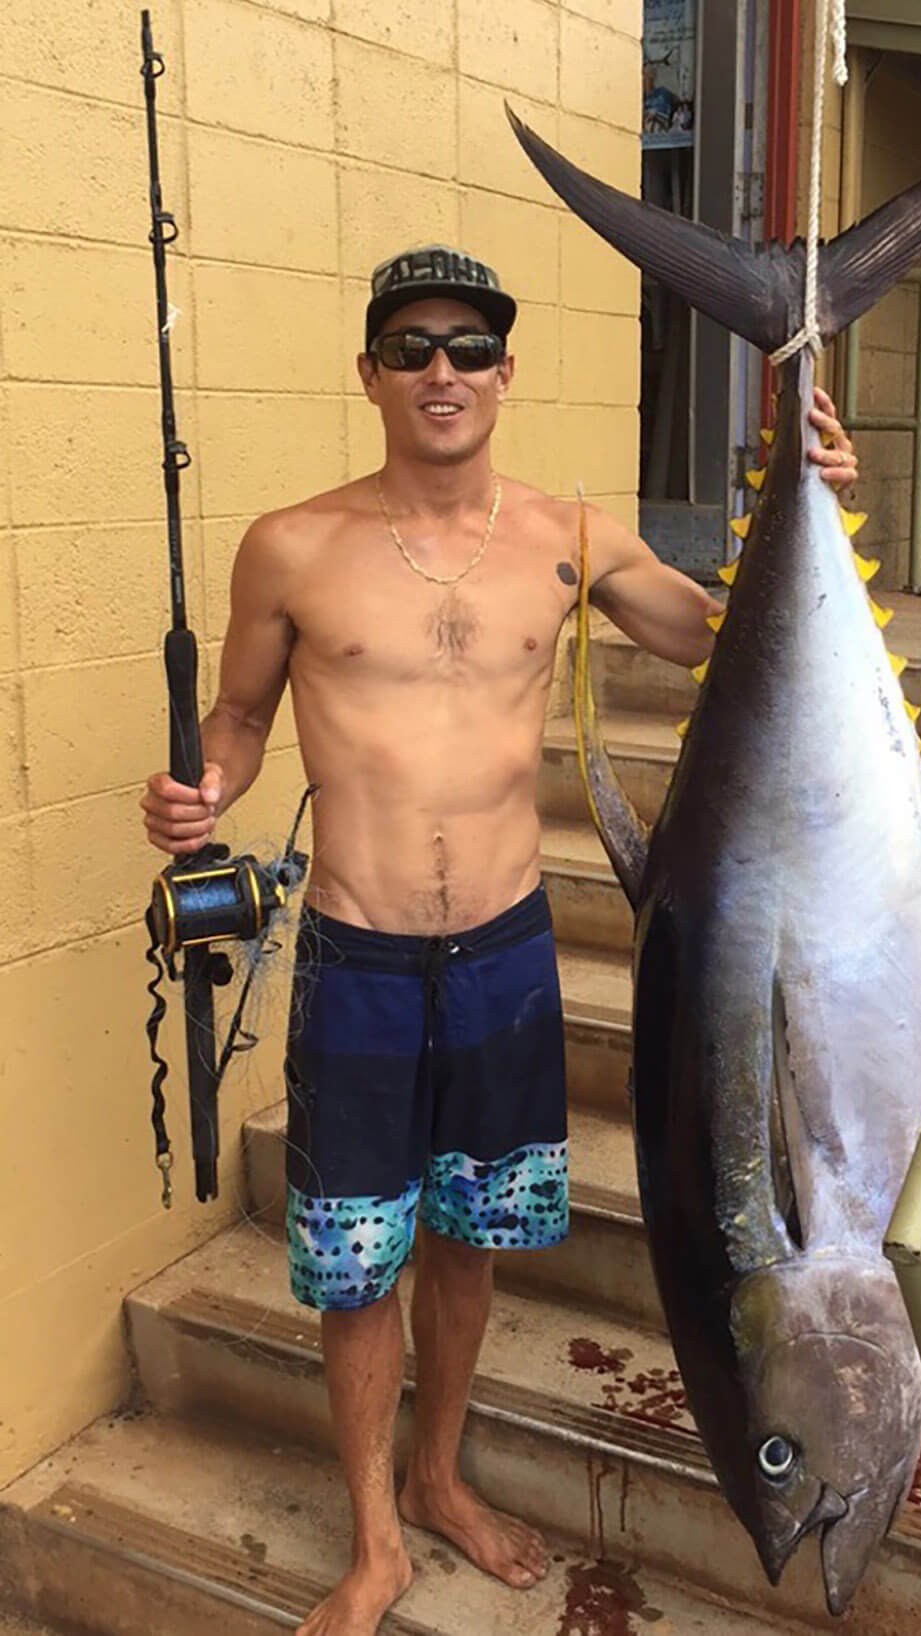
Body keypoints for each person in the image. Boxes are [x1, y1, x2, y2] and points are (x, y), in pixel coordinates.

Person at [140, 244, 859, 1636]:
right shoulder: (291, 545)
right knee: (359, 1264)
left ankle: (438, 1477)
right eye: (411, 347)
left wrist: (815, 511)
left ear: (506, 373)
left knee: (467, 1245)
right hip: (355, 959)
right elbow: (234, 720)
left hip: (505, 960)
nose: (442, 370)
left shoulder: (566, 536)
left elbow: (717, 638)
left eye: (468, 346)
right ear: (371, 374)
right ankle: (372, 1543)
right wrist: (201, 788)